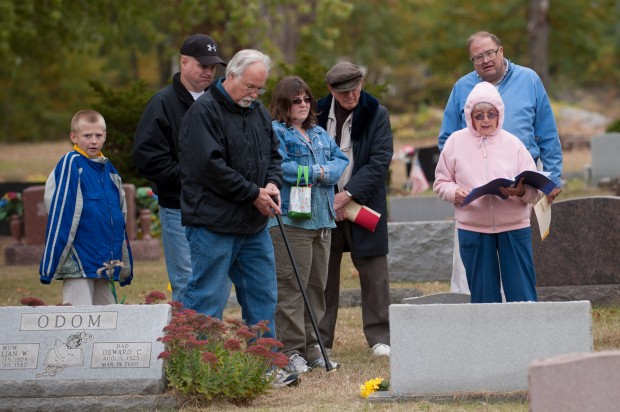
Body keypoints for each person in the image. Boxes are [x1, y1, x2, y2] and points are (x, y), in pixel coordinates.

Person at [438, 31, 563, 295]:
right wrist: (460, 175)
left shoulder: (529, 80)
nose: (485, 60)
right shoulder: (462, 87)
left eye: (489, 53)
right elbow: (447, 140)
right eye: (477, 57)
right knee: (477, 282)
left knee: (517, 268)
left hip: (520, 187)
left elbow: (548, 133)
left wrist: (552, 179)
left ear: (501, 51)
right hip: (474, 201)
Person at [133, 34, 227, 303]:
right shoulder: (162, 103)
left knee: (216, 278)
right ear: (184, 62)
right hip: (179, 207)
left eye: (213, 67)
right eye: (202, 66)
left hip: (220, 206)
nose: (209, 72)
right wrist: (189, 181)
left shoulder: (221, 102)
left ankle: (206, 341)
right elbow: (147, 156)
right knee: (186, 279)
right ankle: (186, 343)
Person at [268, 76, 349, 373]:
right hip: (291, 220)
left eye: (306, 100)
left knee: (317, 287)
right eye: (296, 100)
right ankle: (290, 350)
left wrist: (322, 172)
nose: (303, 105)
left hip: (323, 219)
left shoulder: (318, 132)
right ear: (283, 103)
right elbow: (282, 167)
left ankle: (313, 348)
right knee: (292, 287)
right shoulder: (276, 132)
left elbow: (341, 160)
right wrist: (319, 172)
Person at [434, 81, 540, 303]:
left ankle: (526, 335)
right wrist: (455, 192)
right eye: (478, 114)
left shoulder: (515, 145)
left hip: (514, 226)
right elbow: (441, 182)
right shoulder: (455, 142)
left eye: (491, 114)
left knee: (522, 293)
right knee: (483, 296)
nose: (485, 120)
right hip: (473, 228)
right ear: (469, 116)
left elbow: (535, 192)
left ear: (499, 115)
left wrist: (521, 192)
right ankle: (487, 337)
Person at [316, 62, 393, 357]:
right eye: (344, 91)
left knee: (375, 274)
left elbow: (379, 162)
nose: (352, 96)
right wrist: (329, 198)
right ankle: (320, 339)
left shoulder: (377, 113)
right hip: (323, 206)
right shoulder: (317, 114)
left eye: (356, 88)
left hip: (364, 204)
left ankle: (380, 337)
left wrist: (347, 195)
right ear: (331, 90)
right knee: (323, 275)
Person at [40, 110, 133, 305]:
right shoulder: (71, 164)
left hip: (103, 257)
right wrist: (51, 262)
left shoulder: (108, 168)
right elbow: (62, 212)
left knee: (109, 317)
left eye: (98, 136)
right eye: (87, 136)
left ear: (105, 136)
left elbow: (119, 214)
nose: (93, 141)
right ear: (74, 137)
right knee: (79, 320)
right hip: (79, 256)